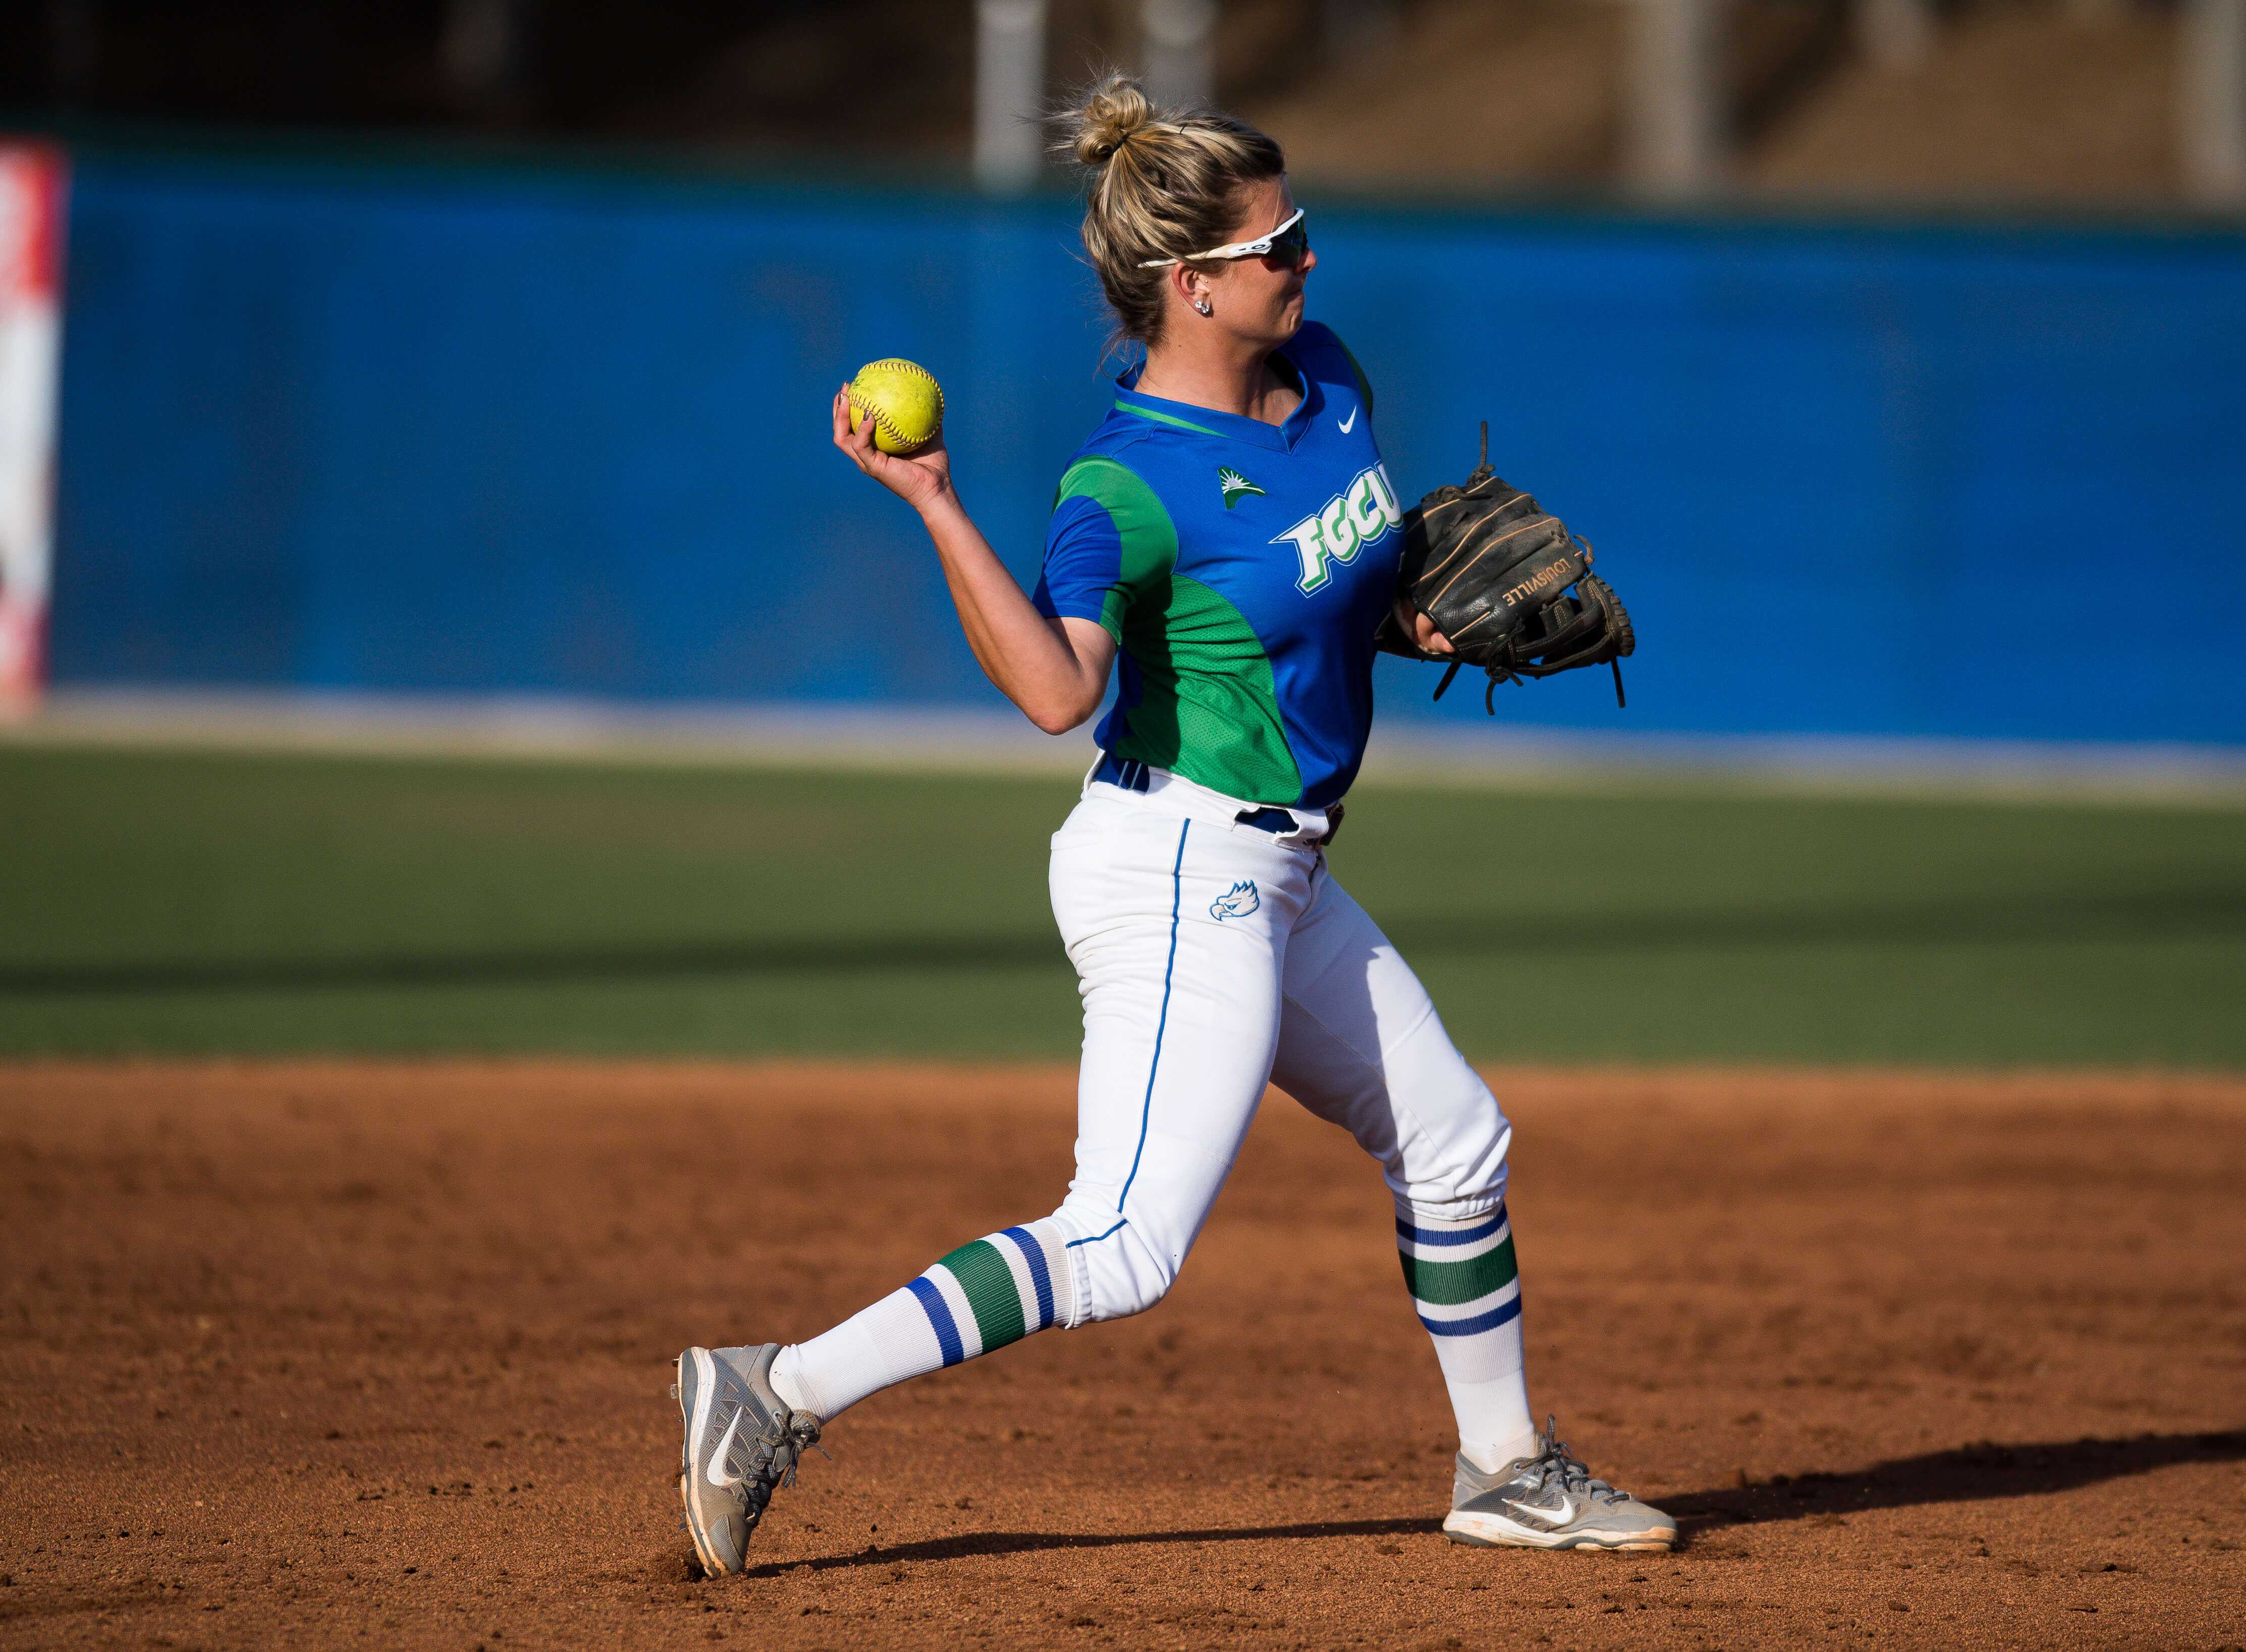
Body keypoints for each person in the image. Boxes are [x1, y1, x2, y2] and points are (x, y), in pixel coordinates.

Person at [674, 74, 1674, 1576]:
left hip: (1285, 867)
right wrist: (938, 505)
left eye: (1304, 231)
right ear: (1189, 284)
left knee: (1457, 1141)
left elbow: (1337, 594)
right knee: (1126, 1241)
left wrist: (1428, 623)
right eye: (1282, 244)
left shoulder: (1329, 376)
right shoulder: (1121, 487)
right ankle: (773, 1387)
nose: (1309, 261)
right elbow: (1056, 690)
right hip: (1178, 862)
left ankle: (1502, 1466)